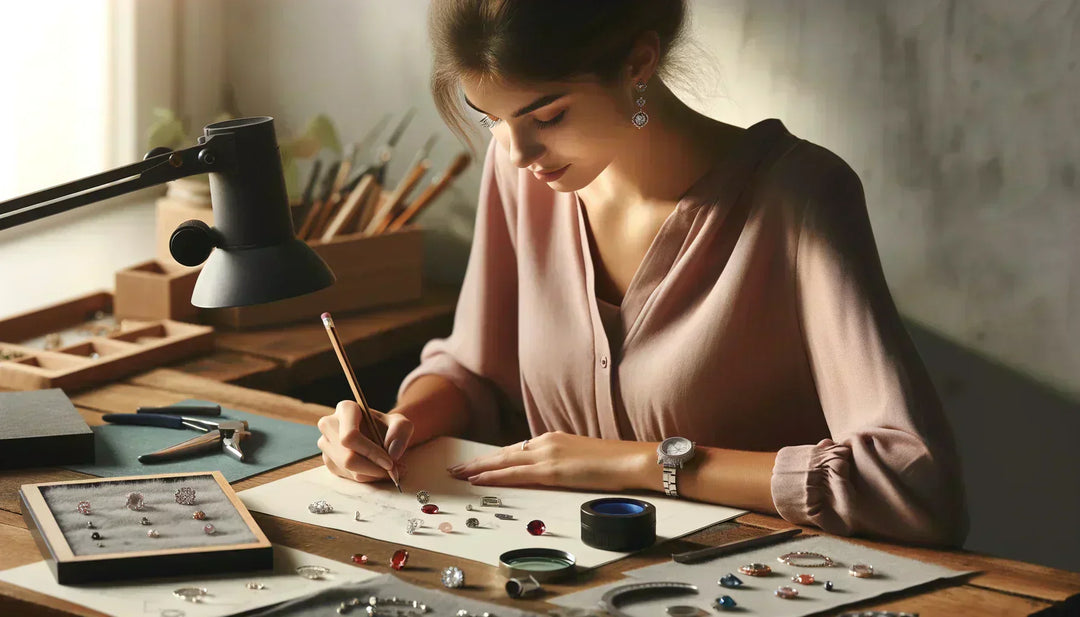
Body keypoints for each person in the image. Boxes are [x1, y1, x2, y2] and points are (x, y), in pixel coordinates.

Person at [317, 0, 968, 546]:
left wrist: (640, 464)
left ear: (637, 64)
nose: (517, 153)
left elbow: (913, 485)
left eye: (547, 116)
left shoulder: (799, 200)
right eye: (492, 120)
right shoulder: (522, 178)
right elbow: (476, 372)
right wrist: (396, 423)